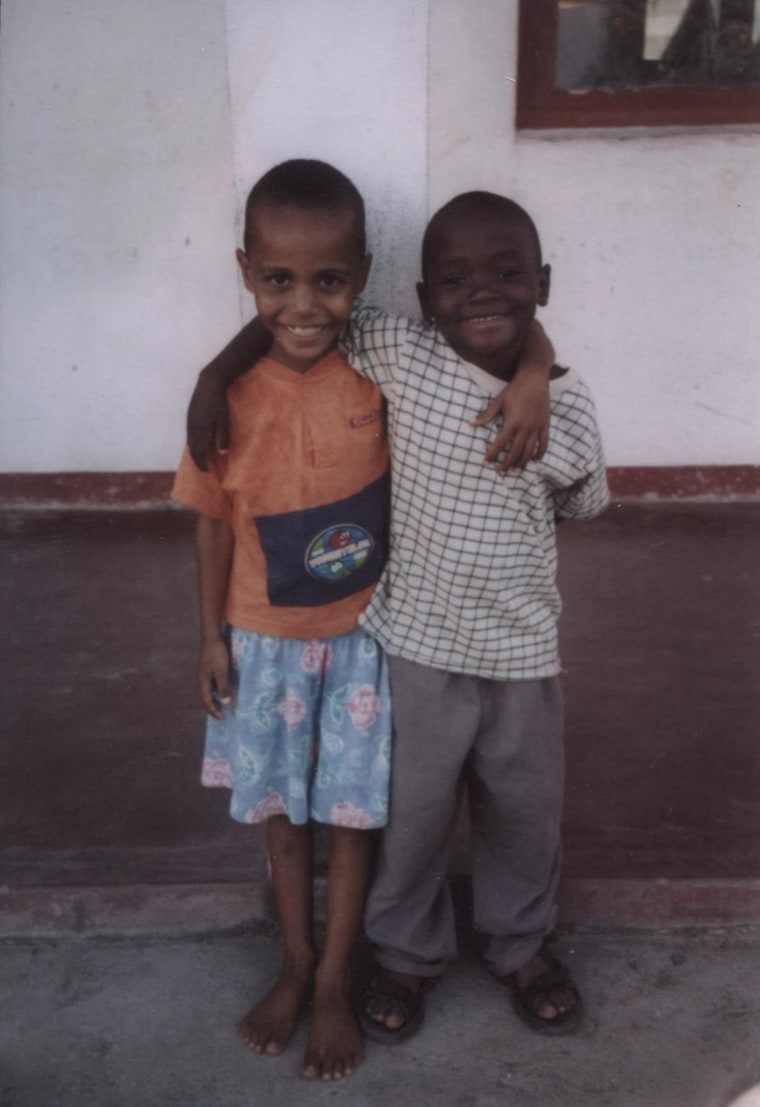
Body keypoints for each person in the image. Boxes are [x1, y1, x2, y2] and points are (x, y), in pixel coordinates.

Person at [185, 186, 600, 1046]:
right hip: (412, 646)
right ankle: (406, 956)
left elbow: (579, 502)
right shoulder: (399, 353)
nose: (480, 292)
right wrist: (212, 371)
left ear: (544, 283)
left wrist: (534, 377)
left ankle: (521, 944)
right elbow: (285, 312)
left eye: (507, 274)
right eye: (453, 278)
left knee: (524, 811)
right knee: (407, 818)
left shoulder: (567, 405)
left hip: (522, 652)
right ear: (417, 299)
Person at [172, 160, 392, 1082]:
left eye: (329, 279)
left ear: (364, 276)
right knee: (284, 813)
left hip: (363, 644)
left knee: (351, 814)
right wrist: (211, 635)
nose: (304, 304)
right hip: (262, 644)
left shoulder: (382, 371)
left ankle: (337, 976)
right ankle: (295, 961)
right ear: (245, 271)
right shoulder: (231, 400)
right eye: (278, 279)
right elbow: (213, 519)